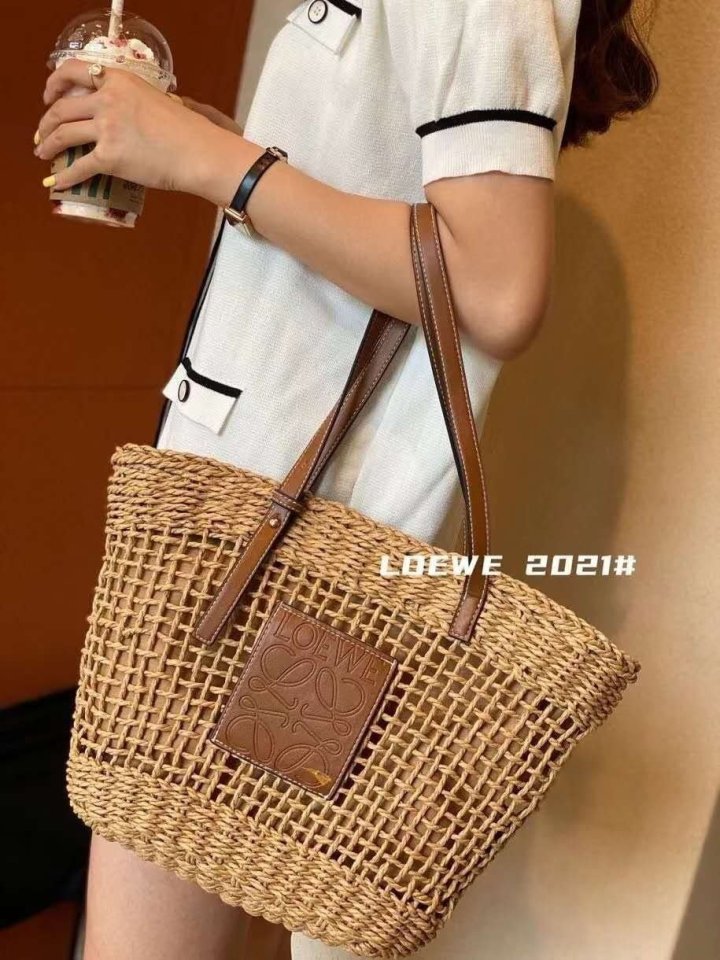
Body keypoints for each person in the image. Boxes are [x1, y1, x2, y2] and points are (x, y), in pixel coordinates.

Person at [34, 1, 657, 958]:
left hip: (274, 567)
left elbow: (495, 289)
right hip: (247, 540)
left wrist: (217, 163)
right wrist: (190, 140)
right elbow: (383, 205)